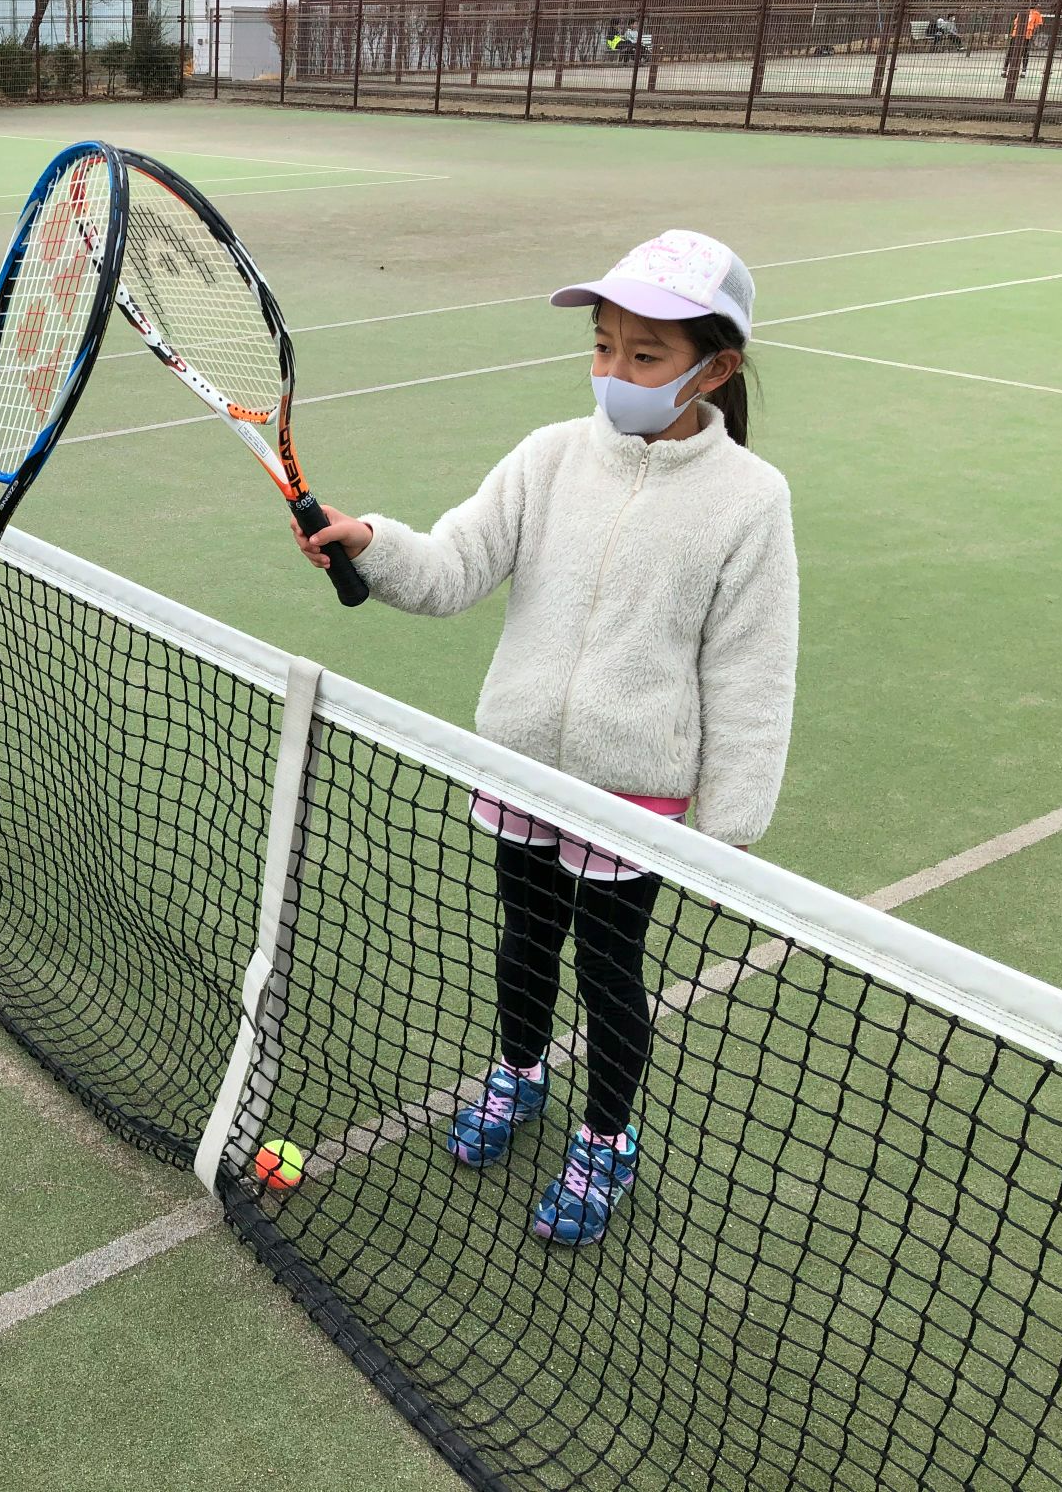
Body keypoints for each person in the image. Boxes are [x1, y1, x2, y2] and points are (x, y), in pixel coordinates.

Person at [291, 231, 798, 1247]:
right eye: (603, 347)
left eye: (643, 355)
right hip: (520, 772)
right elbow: (454, 566)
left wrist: (730, 830)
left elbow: (751, 672)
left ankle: (607, 1135)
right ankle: (519, 1074)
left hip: (633, 801)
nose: (614, 371)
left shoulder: (751, 501)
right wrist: (372, 544)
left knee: (609, 975)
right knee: (526, 942)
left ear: (718, 368)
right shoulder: (550, 458)